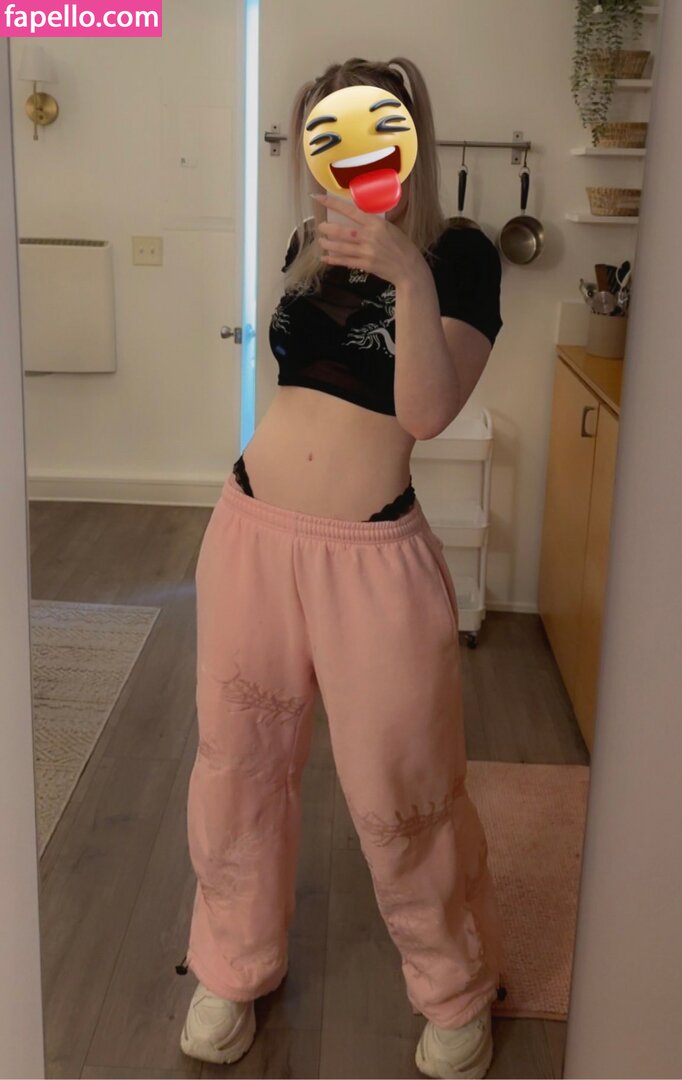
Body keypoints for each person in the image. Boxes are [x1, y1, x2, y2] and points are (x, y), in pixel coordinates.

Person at [178, 55, 506, 1080]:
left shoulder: (460, 254)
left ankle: (453, 987)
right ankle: (231, 965)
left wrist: (407, 273)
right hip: (250, 532)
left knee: (403, 786)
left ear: (408, 137)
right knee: (237, 766)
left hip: (373, 562)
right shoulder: (306, 246)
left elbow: (426, 413)